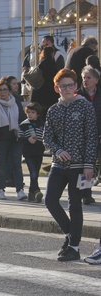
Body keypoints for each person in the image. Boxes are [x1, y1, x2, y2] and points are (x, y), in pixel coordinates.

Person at [43, 68, 98, 261]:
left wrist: (89, 164)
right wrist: (57, 150)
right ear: (57, 88)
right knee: (50, 200)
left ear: (76, 86)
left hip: (80, 166)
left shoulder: (84, 107)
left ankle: (74, 247)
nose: (66, 89)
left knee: (75, 205)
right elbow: (47, 136)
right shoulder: (54, 110)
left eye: (70, 85)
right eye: (62, 86)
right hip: (59, 165)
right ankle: (69, 235)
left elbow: (91, 137)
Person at [0, 78, 27, 200]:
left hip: (15, 138)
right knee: (2, 165)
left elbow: (22, 120)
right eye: (0, 90)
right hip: (1, 140)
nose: (3, 92)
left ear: (9, 91)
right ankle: (1, 189)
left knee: (17, 164)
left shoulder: (16, 103)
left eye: (5, 90)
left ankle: (20, 190)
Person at [78, 65, 101, 205]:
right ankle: (86, 194)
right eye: (84, 78)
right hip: (84, 137)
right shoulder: (78, 95)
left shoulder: (99, 95)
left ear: (96, 80)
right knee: (87, 165)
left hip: (99, 134)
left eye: (89, 78)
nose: (85, 80)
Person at [18, 102, 46, 203]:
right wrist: (28, 139)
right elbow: (19, 138)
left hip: (39, 151)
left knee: (36, 172)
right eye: (28, 112)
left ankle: (31, 192)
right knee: (33, 172)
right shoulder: (24, 124)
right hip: (28, 152)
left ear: (37, 114)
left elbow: (46, 136)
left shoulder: (42, 124)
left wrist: (41, 140)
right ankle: (37, 190)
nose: (30, 114)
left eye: (32, 112)